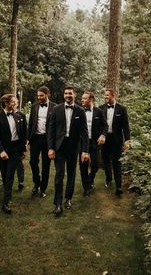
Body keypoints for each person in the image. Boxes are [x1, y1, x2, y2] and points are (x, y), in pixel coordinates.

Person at [48, 86, 89, 217]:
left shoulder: (80, 111)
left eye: (70, 93)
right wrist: (50, 148)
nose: (67, 95)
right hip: (59, 147)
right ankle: (58, 203)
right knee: (59, 174)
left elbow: (84, 132)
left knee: (71, 174)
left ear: (74, 95)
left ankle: (68, 198)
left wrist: (85, 151)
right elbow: (51, 130)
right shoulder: (56, 109)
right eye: (65, 93)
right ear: (63, 95)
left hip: (73, 148)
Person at [0, 94, 27, 214]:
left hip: (15, 150)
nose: (15, 104)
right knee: (4, 175)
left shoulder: (18, 115)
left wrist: (22, 150)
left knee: (10, 175)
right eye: (13, 102)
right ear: (6, 103)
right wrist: (1, 151)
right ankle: (8, 193)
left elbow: (22, 134)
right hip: (3, 150)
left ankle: (5, 203)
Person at [99, 89, 130, 196]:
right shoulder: (101, 108)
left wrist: (127, 141)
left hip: (116, 140)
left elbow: (126, 127)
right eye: (105, 95)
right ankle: (108, 179)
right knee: (106, 161)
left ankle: (119, 186)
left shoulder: (122, 109)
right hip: (104, 139)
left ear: (113, 95)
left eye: (107, 95)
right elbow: (98, 125)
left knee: (117, 163)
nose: (105, 97)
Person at [28, 86, 56, 198]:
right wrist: (28, 139)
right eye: (38, 95)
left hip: (47, 140)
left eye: (41, 95)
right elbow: (31, 124)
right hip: (35, 139)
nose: (39, 97)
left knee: (46, 165)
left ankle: (43, 188)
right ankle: (36, 182)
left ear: (47, 94)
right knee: (32, 162)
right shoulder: (34, 107)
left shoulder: (55, 107)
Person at [80, 91, 108, 196]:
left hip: (94, 142)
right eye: (82, 98)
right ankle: (86, 188)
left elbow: (105, 126)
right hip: (82, 143)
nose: (82, 100)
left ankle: (90, 178)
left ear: (91, 99)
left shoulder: (99, 112)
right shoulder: (79, 111)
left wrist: (103, 135)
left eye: (84, 98)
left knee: (95, 165)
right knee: (83, 165)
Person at [12, 97, 26, 191]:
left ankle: (21, 182)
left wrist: (24, 146)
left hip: (18, 145)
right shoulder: (3, 116)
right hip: (8, 145)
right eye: (11, 102)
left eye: (14, 102)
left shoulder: (21, 115)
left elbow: (24, 131)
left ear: (17, 104)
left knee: (19, 164)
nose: (13, 104)